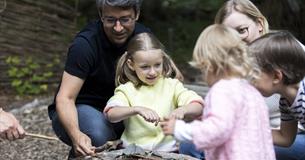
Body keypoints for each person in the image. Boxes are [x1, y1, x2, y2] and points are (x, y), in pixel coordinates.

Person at [47, 0, 151, 157]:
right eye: (110, 20)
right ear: (101, 16)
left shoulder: (144, 40)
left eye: (125, 19)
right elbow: (65, 98)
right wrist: (76, 134)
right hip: (80, 109)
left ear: (136, 15)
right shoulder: (85, 45)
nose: (118, 28)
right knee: (99, 134)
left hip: (122, 110)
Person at [161, 24, 276, 160]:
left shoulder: (222, 91)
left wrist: (180, 129)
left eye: (202, 69)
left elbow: (217, 129)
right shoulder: (250, 90)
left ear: (209, 65)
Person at [103, 32, 204, 152]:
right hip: (134, 152)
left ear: (162, 60)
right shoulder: (126, 90)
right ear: (131, 64)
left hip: (170, 151)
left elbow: (199, 106)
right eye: (145, 67)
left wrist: (183, 109)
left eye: (157, 65)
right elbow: (111, 114)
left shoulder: (172, 85)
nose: (152, 72)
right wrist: (136, 109)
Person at [249, 31, 305, 159]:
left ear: (276, 76)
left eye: (253, 75)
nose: (249, 82)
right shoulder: (286, 101)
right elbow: (285, 138)